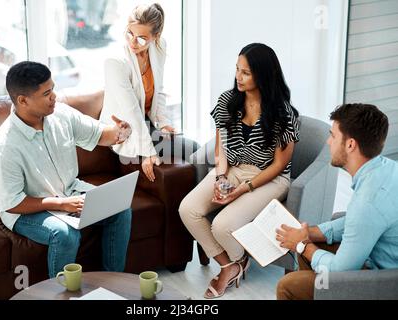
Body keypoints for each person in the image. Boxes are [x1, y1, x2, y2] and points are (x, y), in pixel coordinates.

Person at [0, 61, 132, 278]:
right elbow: (13, 203)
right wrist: (62, 204)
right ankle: (61, 293)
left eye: (52, 89)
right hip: (25, 209)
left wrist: (120, 132)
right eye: (46, 93)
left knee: (119, 208)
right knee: (65, 234)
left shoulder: (61, 114)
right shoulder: (4, 148)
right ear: (23, 100)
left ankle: (112, 282)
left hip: (68, 191)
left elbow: (100, 135)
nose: (54, 96)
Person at [179, 43, 300, 299]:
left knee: (223, 226)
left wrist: (242, 190)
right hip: (233, 168)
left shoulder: (283, 114)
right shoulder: (227, 101)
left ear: (263, 75)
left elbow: (279, 165)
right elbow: (220, 147)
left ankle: (235, 260)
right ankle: (230, 263)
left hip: (270, 177)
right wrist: (221, 177)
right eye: (237, 69)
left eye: (245, 72)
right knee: (187, 209)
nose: (238, 77)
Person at [276, 103, 398, 300]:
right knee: (310, 244)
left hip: (385, 285)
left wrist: (302, 245)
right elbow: (357, 222)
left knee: (288, 286)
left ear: (350, 145)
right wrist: (311, 233)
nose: (327, 142)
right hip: (378, 256)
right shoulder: (386, 169)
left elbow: (340, 271)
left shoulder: (368, 203)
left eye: (333, 135)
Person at [99, 3, 198, 182]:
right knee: (191, 152)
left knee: (195, 149)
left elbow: (158, 90)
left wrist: (164, 123)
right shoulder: (115, 62)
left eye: (142, 38)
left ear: (156, 36)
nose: (133, 42)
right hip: (125, 130)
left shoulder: (159, 47)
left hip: (148, 124)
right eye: (129, 33)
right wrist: (147, 151)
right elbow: (131, 111)